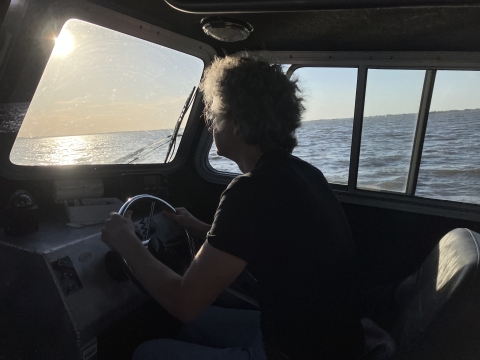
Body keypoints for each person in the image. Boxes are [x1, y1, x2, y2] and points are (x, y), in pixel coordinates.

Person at [101, 55, 364, 360]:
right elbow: (270, 245)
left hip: (293, 352)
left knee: (147, 352)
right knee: (195, 324)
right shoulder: (304, 174)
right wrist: (200, 228)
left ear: (237, 124)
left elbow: (184, 303)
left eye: (213, 113)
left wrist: (127, 243)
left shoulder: (251, 190)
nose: (209, 121)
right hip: (335, 342)